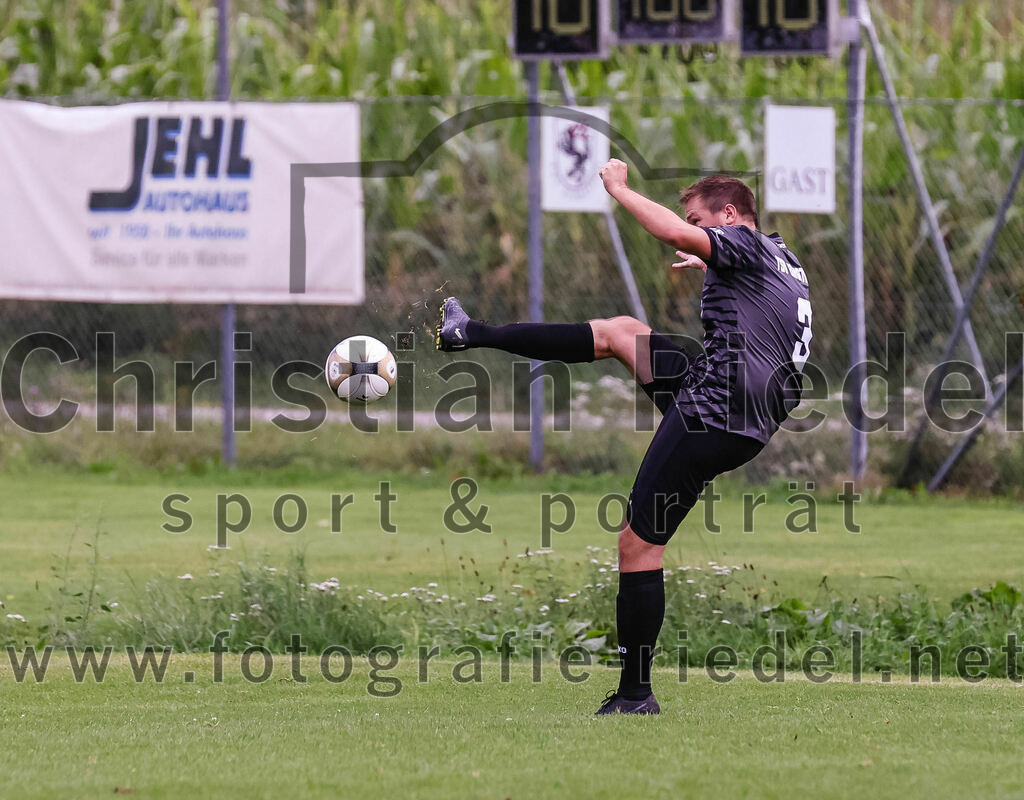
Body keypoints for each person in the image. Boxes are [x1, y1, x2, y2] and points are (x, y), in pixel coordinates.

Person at [435, 158, 812, 714]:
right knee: (620, 334)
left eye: (701, 221)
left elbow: (670, 230)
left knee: (638, 544)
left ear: (730, 215)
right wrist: (708, 257)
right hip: (746, 412)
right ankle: (471, 333)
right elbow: (761, 310)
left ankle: (636, 695)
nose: (694, 230)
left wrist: (619, 189)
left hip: (717, 404)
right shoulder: (783, 258)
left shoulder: (747, 247)